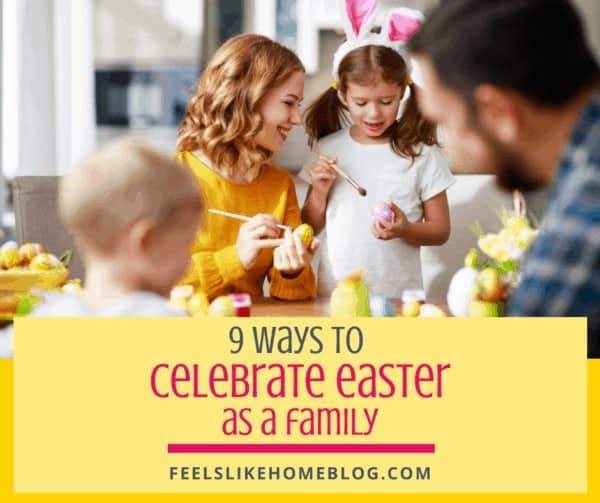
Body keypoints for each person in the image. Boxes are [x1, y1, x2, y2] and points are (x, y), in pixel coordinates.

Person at [407, 0, 600, 357]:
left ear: (498, 112)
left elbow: (518, 400)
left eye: (448, 123)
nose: (455, 152)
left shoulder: (581, 226)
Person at [301, 2, 454, 297]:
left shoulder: (421, 154)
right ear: (343, 94)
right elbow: (309, 226)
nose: (374, 114)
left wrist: (405, 228)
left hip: (400, 298)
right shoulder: (328, 149)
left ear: (404, 92)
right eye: (361, 102)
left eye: (386, 101)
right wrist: (319, 192)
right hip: (336, 296)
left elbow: (440, 230)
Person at [0, 139, 204, 357]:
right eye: (186, 243)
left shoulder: (40, 323)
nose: (188, 260)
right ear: (144, 241)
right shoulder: (169, 330)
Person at [176, 34, 319, 301]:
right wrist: (235, 258)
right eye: (288, 103)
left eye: (297, 106)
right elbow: (156, 286)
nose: (297, 119)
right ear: (246, 98)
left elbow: (293, 295)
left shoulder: (279, 185)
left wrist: (292, 270)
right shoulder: (171, 179)